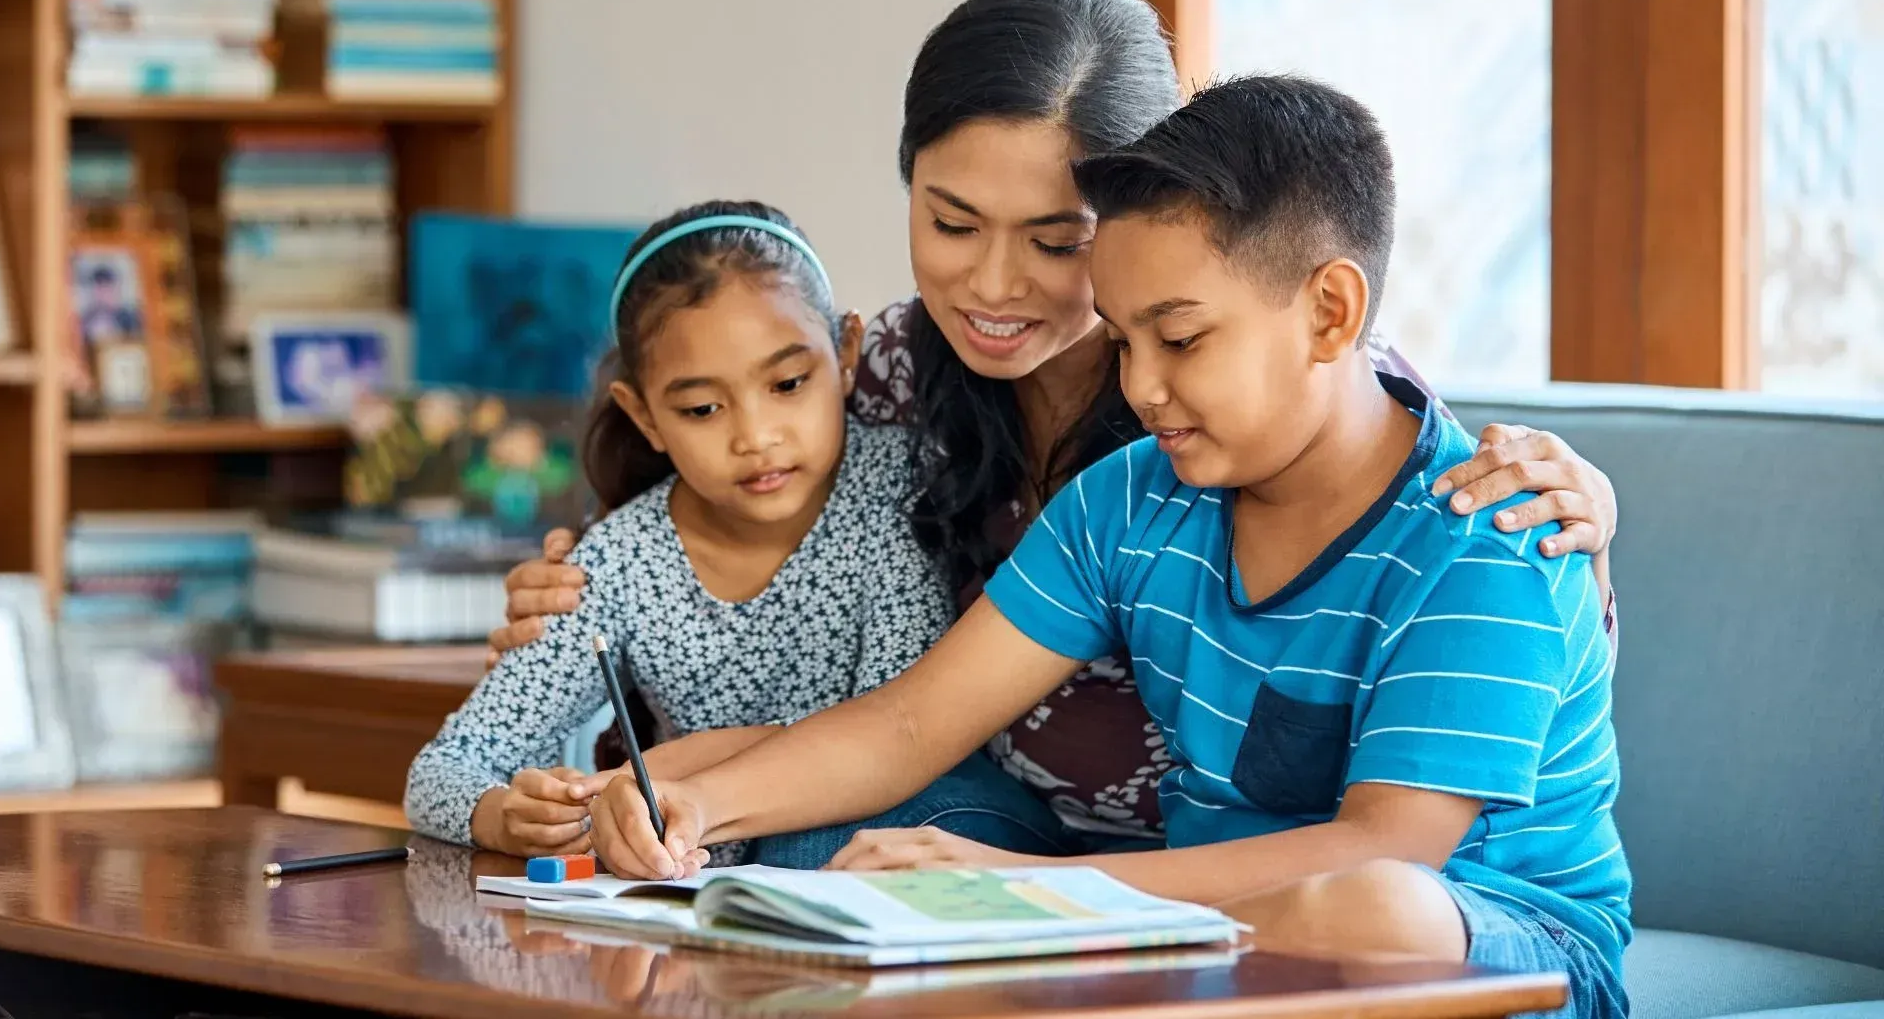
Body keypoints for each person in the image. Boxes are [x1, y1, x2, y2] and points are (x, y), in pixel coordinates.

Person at [494, 0, 1621, 864]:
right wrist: (595, 592)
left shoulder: (1290, 394)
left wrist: (1586, 515)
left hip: (1230, 871)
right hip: (979, 817)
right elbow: (798, 630)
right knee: (806, 830)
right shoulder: (867, 371)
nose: (993, 285)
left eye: (1056, 242)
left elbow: (1466, 573)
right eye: (951, 221)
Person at [589, 75, 1629, 1018]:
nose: (1139, 388)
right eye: (1124, 342)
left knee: (1374, 907)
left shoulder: (1491, 531)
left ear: (1330, 312)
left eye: (1178, 340)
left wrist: (1013, 895)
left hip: (1491, 952)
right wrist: (693, 801)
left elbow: (1386, 852)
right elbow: (911, 725)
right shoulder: (1131, 499)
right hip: (1194, 941)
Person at [405, 200, 1052, 859]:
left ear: (846, 352)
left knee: (816, 842)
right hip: (720, 859)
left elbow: (892, 730)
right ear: (646, 415)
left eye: (789, 383)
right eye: (703, 408)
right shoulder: (620, 559)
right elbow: (442, 770)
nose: (755, 437)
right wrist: (502, 815)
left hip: (925, 813)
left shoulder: (896, 488)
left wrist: (663, 773)